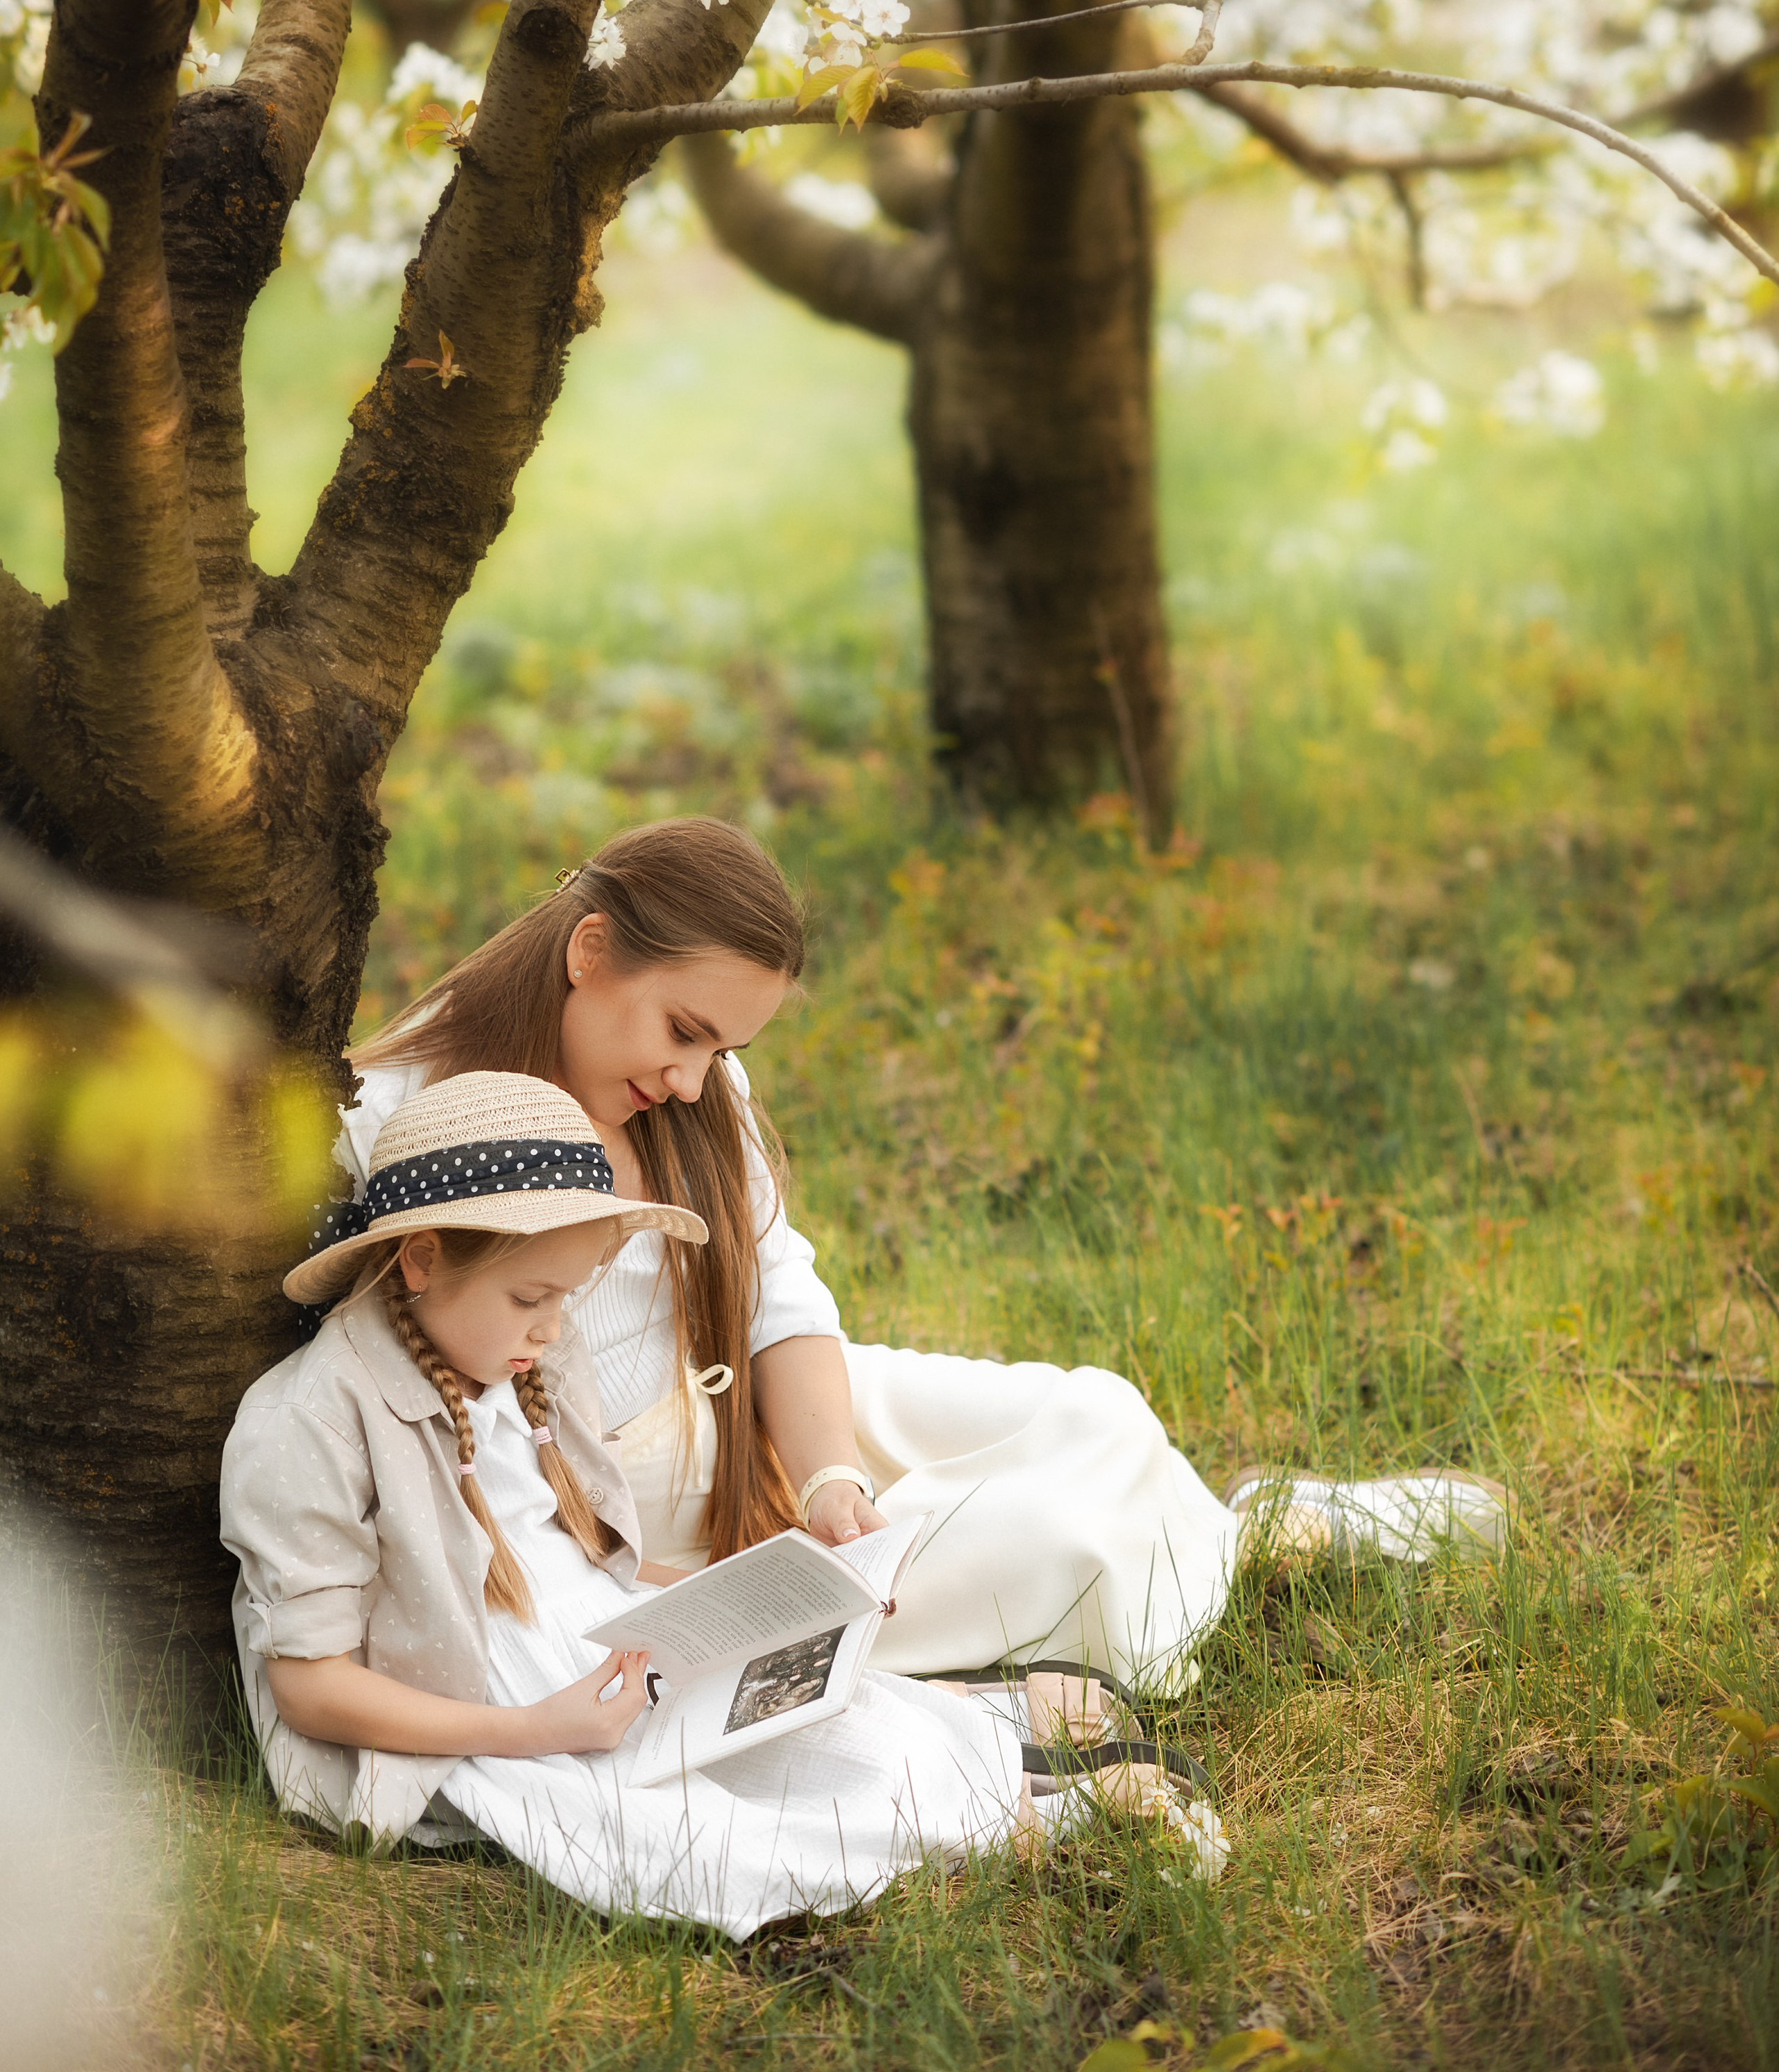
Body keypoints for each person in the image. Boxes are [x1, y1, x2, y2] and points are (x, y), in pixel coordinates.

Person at [337, 820, 1510, 1686]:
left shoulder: (696, 1096)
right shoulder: (405, 1113)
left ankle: (1237, 1531)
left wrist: (836, 1473)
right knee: (1052, 1541)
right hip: (624, 1513)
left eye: (724, 1048)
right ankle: (1223, 1551)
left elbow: (776, 1287)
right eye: (684, 1032)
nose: (694, 1079)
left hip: (741, 1405)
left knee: (1089, 1412)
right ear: (590, 951)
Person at [222, 1070, 1038, 1940]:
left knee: (878, 1741)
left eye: (567, 1297)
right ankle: (1019, 1806)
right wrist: (534, 1729)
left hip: (603, 1643)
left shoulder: (532, 1360)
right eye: (530, 1298)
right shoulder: (312, 1419)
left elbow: (577, 1555)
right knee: (708, 1844)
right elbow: (311, 1688)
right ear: (421, 1260)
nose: (551, 1326)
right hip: (478, 1703)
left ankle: (1010, 1780)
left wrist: (757, 1595)